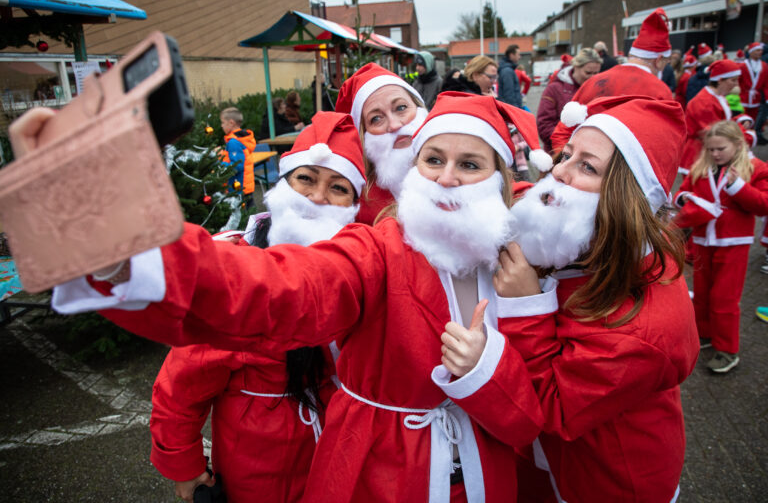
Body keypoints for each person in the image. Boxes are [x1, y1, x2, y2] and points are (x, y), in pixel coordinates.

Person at [41, 93, 557, 502]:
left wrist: (488, 365)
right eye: (433, 159)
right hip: (378, 476)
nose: (447, 178)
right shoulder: (377, 249)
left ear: (500, 179)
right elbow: (282, 288)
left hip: (486, 476)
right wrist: (127, 249)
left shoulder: (519, 268)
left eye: (469, 165)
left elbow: (533, 416)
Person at [498, 95, 699, 501]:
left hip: (610, 480)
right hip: (561, 461)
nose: (558, 171)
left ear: (626, 197)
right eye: (566, 153)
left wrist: (524, 305)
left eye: (586, 166)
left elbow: (555, 406)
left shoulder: (644, 331)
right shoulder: (601, 236)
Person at [151, 112, 360, 503]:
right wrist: (186, 467)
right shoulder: (237, 267)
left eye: (338, 188)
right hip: (257, 458)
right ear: (283, 186)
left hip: (338, 450)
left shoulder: (359, 273)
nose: (317, 197)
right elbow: (183, 383)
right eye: (306, 179)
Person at [675, 120, 768, 373]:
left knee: (724, 299)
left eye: (721, 149)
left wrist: (738, 187)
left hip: (734, 244)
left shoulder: (755, 168)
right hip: (704, 240)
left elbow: (763, 204)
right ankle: (704, 334)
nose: (715, 154)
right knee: (702, 292)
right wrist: (683, 199)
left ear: (738, 145)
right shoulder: (702, 167)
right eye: (711, 149)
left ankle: (727, 350)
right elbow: (683, 191)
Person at [550, 8, 674, 150]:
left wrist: (565, 164)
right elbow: (665, 148)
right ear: (659, 60)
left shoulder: (595, 81)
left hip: (586, 166)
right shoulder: (660, 91)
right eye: (666, 62)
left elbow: (563, 131)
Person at [334, 62, 428, 224]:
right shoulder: (359, 206)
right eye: (376, 119)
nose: (394, 125)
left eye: (401, 108)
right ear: (364, 135)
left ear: (418, 107)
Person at [679, 59, 741, 175]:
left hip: (709, 151)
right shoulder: (704, 102)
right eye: (733, 80)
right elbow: (714, 132)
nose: (736, 84)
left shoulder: (716, 97)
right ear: (720, 80)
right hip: (701, 154)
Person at [536, 48, 602, 152]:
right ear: (576, 67)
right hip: (558, 154)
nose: (592, 78)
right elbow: (544, 125)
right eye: (588, 73)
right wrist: (570, 144)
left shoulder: (600, 90)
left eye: (596, 73)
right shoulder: (554, 89)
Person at [219, 107, 257, 199]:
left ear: (231, 123)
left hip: (237, 187)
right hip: (245, 186)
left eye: (223, 122)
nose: (221, 125)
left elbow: (237, 165)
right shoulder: (242, 139)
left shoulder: (234, 142)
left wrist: (219, 164)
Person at [739, 42, 768, 122]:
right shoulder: (742, 65)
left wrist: (767, 97)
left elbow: (766, 84)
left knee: (753, 121)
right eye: (757, 50)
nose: (760, 52)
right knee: (742, 120)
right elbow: (737, 81)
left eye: (761, 50)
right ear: (751, 52)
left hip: (756, 98)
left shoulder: (764, 66)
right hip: (743, 97)